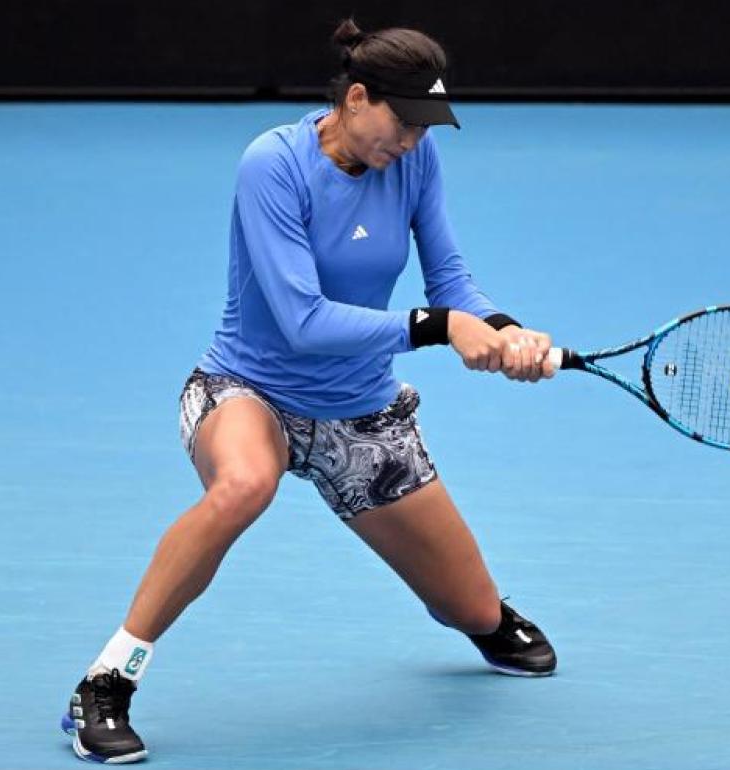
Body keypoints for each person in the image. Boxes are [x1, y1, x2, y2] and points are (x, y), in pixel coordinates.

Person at [60, 18, 558, 764]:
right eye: (404, 122)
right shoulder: (274, 165)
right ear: (357, 98)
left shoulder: (414, 164)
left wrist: (502, 328)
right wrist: (437, 328)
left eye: (428, 128)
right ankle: (104, 684)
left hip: (361, 412)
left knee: (474, 610)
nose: (414, 141)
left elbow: (451, 279)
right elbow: (301, 320)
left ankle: (481, 615)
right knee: (243, 486)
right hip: (247, 388)